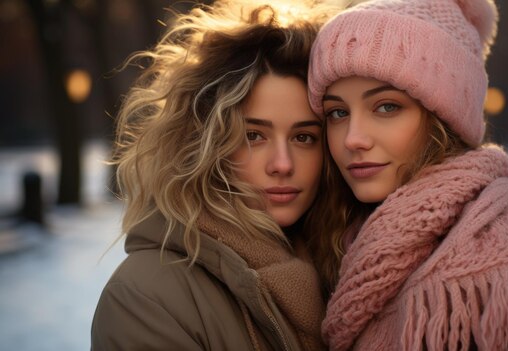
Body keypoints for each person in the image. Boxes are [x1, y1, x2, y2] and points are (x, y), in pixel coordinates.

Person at [307, 0, 508, 350]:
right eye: (337, 112)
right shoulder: (323, 255)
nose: (353, 138)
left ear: (444, 118)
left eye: (386, 106)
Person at [91, 1, 335, 350]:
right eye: (253, 136)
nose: (282, 164)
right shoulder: (146, 297)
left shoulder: (347, 267)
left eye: (303, 137)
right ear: (206, 145)